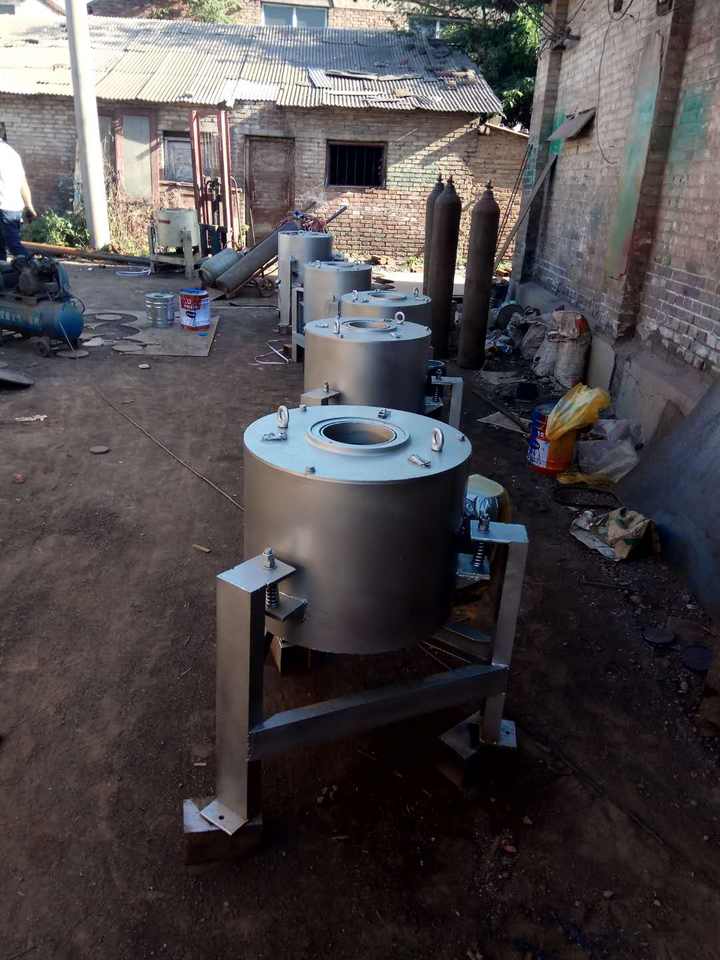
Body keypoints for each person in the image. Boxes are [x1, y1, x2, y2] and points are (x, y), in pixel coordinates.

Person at [0, 136, 37, 261]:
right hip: (14, 207)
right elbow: (23, 182)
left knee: (14, 245)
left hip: (4, 207)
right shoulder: (13, 153)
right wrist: (29, 206)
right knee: (6, 245)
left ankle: (34, 268)